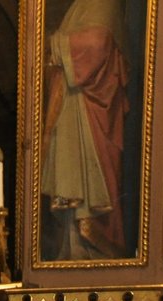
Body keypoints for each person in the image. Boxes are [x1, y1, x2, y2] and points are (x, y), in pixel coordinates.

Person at [41, 0, 130, 259]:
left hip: (93, 116)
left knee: (90, 207)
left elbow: (97, 44)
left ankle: (88, 256)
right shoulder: (81, 5)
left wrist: (52, 43)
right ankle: (71, 256)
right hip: (74, 114)